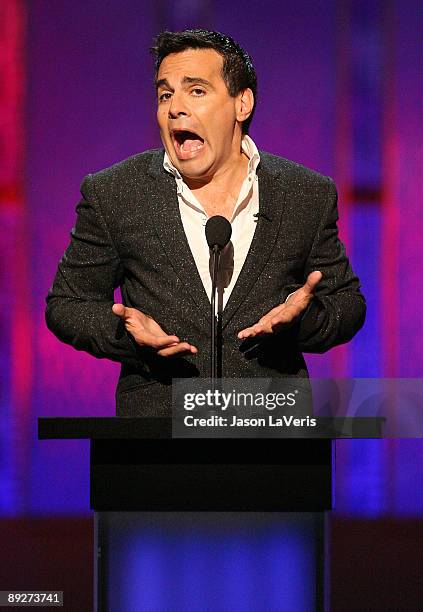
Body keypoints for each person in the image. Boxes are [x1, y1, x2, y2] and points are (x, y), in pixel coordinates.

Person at [45, 29, 366, 416]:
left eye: (196, 91)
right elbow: (66, 304)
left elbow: (347, 304)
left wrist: (302, 322)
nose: (175, 107)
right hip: (158, 440)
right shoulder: (115, 192)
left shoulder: (304, 193)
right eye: (166, 94)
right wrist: (126, 335)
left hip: (272, 434)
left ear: (241, 103)